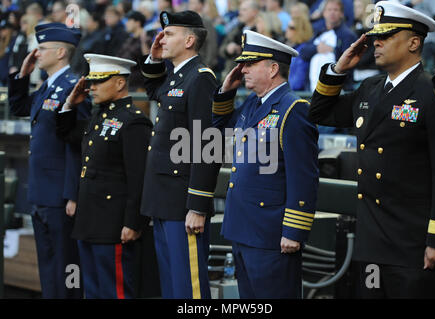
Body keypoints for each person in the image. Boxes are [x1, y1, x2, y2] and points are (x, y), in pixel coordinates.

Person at [308, 1, 435, 298]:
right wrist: (337, 69)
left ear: (413, 42)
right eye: (376, 35)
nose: (377, 42)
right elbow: (320, 113)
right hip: (372, 241)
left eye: (387, 35)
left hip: (413, 244)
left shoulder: (431, 94)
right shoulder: (370, 88)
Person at [212, 30, 319, 298]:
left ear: (273, 69)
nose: (242, 69)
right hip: (243, 228)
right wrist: (226, 92)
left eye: (250, 64)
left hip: (271, 234)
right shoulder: (252, 103)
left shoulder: (293, 109)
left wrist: (294, 231)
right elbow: (219, 132)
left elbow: (303, 176)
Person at [56, 54, 152, 298]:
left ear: (120, 83)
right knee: (92, 291)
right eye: (91, 81)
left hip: (113, 225)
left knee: (115, 291)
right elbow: (65, 133)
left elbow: (138, 178)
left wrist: (133, 222)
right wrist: (70, 103)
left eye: (99, 81)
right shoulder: (99, 117)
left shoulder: (134, 122)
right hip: (89, 222)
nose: (91, 87)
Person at [139, 10, 220, 299]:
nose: (161, 38)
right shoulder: (177, 76)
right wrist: (153, 59)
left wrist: (198, 206)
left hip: (182, 200)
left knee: (189, 287)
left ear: (189, 40)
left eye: (169, 33)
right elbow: (154, 91)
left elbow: (207, 146)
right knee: (172, 284)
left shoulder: (200, 79)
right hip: (163, 196)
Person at [7, 22, 90, 298]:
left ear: (61, 53)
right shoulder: (47, 88)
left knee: (67, 267)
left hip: (60, 194)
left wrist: (72, 194)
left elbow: (76, 145)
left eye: (41, 49)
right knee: (48, 266)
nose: (36, 53)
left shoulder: (71, 87)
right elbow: (19, 107)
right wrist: (22, 74)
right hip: (42, 192)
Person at [299, 0, 357, 92]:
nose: (332, 12)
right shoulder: (319, 32)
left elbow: (349, 62)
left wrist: (333, 50)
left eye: (336, 10)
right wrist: (317, 48)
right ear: (324, 13)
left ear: (342, 14)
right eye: (329, 10)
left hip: (339, 89)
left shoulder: (348, 35)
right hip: (312, 88)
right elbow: (303, 52)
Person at [285, 12, 313, 91]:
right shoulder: (293, 47)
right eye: (287, 26)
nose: (287, 30)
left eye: (291, 27)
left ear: (300, 30)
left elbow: (298, 82)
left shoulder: (304, 50)